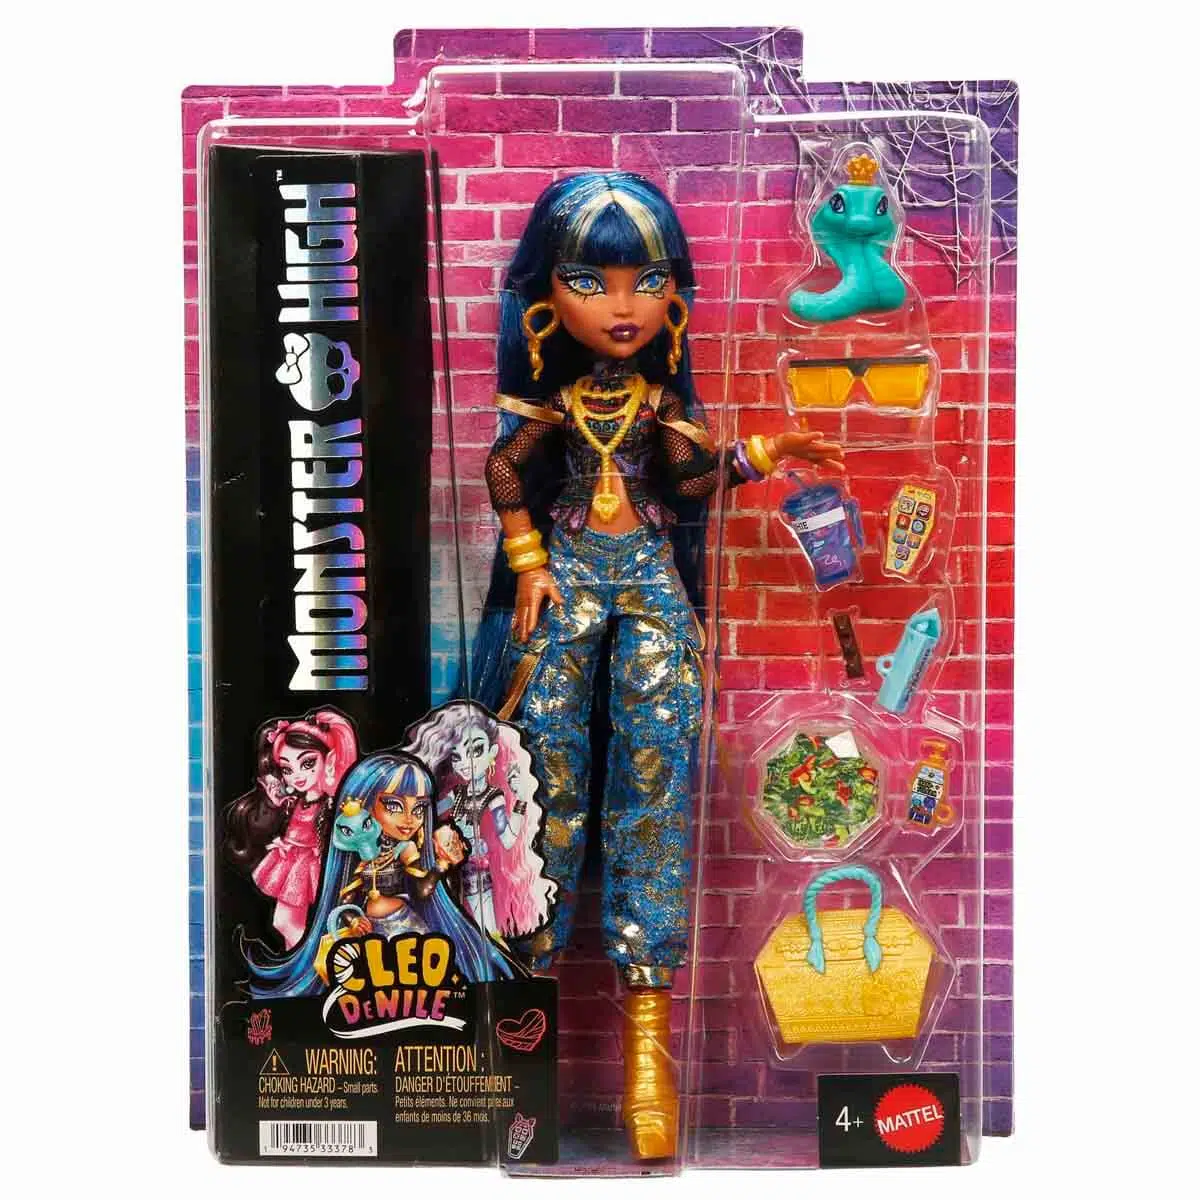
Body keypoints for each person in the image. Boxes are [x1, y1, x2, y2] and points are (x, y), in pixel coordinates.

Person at [473, 172, 843, 1158]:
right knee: (539, 786)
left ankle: (649, 1055)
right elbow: (505, 467)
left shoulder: (660, 401)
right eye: (590, 283)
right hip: (566, 578)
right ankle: (523, 1044)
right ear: (548, 299)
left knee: (656, 780)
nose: (622, 305)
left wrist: (761, 451)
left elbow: (689, 483)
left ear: (674, 295)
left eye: (646, 281)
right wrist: (527, 562)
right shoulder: (558, 400)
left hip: (645, 581)